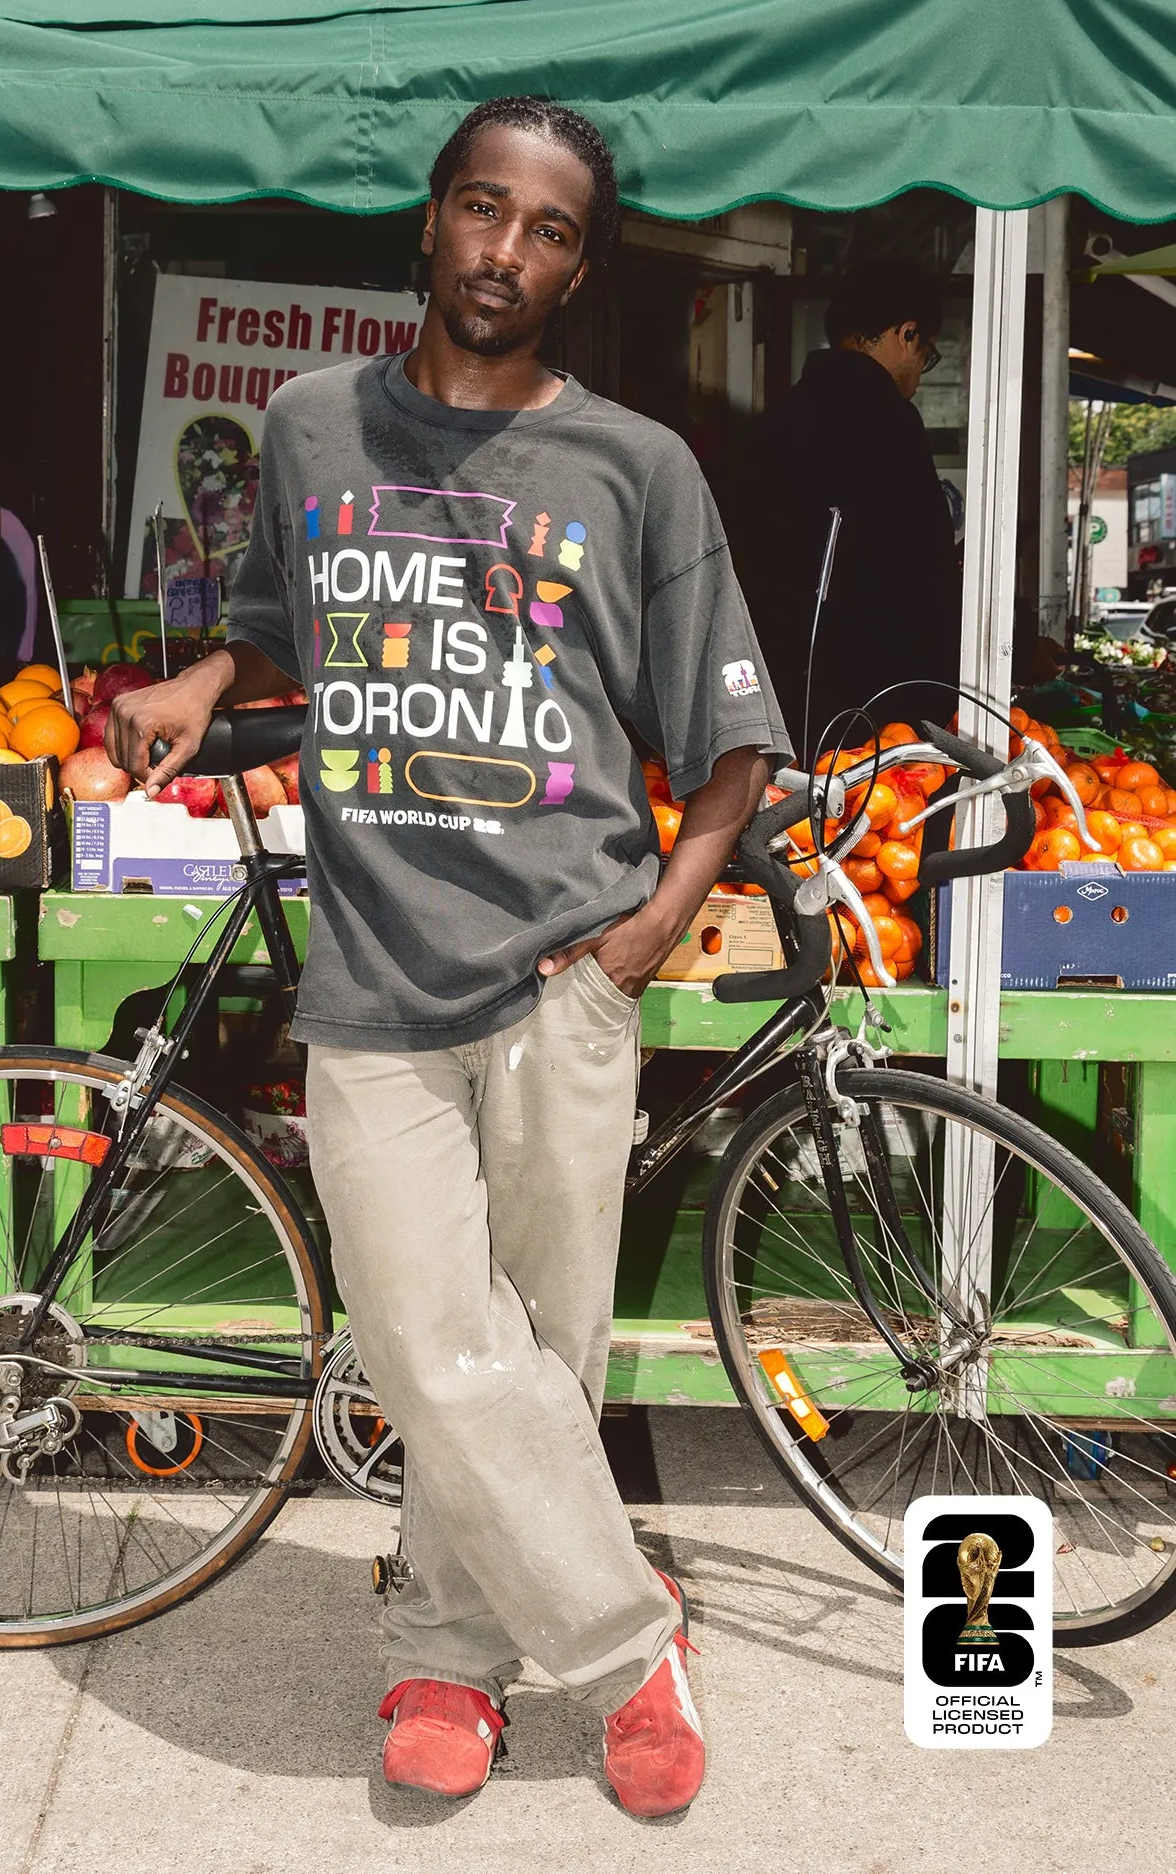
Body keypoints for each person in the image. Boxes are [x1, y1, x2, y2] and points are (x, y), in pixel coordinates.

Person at [108, 96, 788, 1820]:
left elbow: (734, 747)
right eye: (483, 211)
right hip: (376, 965)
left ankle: (449, 1654)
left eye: (548, 229)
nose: (507, 251)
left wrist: (644, 932)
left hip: (568, 961)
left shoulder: (637, 464)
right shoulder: (309, 421)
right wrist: (208, 679)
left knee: (539, 1350)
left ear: (577, 264)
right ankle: (638, 1645)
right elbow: (287, 622)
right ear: (429, 224)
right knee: (425, 1336)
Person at [735, 259, 960, 761]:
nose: (920, 376)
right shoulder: (889, 422)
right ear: (907, 333)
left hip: (773, 690)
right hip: (873, 708)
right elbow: (921, 574)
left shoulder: (777, 419)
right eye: (927, 356)